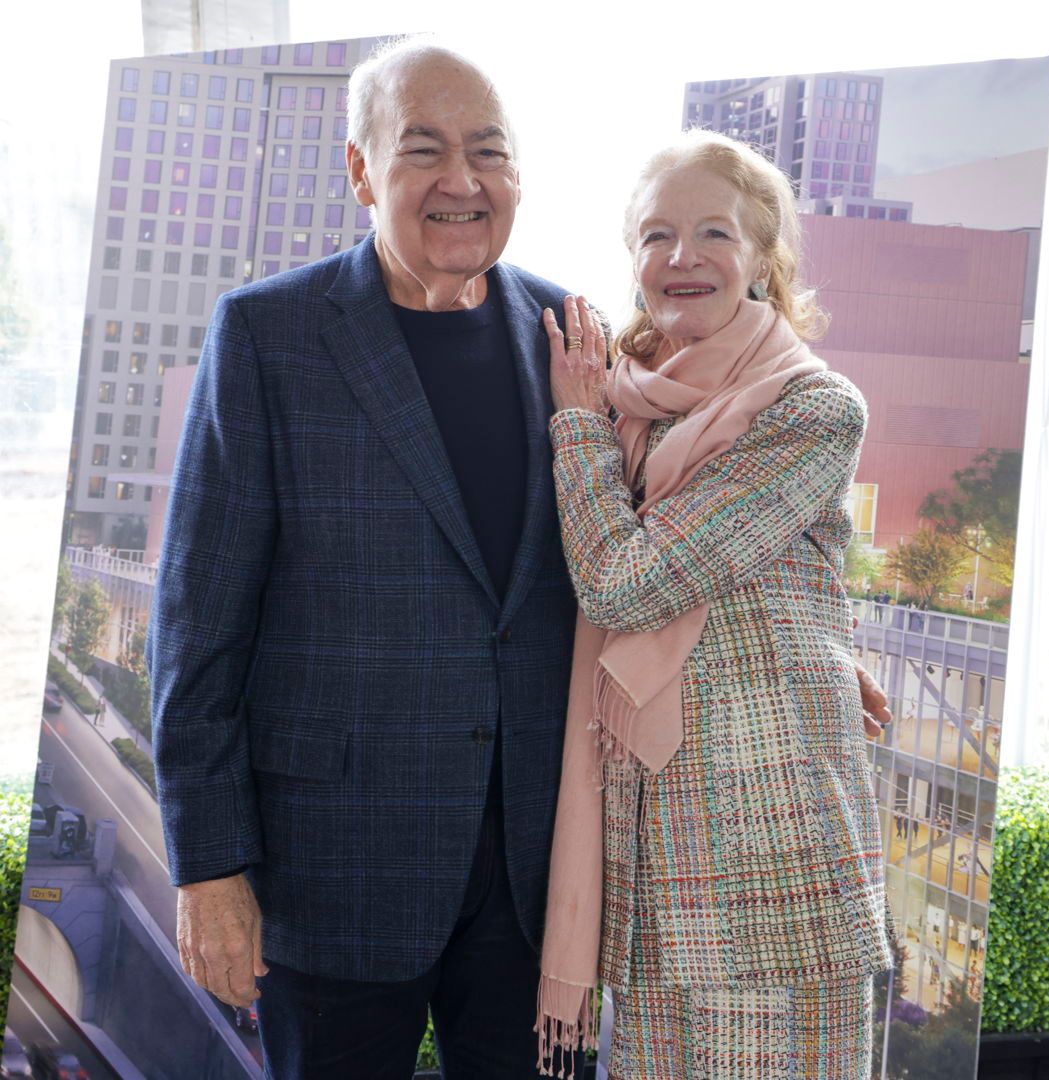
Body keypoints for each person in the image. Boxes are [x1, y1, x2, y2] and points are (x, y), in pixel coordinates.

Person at [147, 43, 891, 1079]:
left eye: (489, 152)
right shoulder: (268, 335)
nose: (463, 181)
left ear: (519, 176)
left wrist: (808, 647)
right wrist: (209, 866)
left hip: (543, 879)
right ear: (362, 171)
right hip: (336, 872)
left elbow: (659, 535)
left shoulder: (573, 339)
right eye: (426, 150)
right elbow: (197, 623)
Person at [536, 131, 892, 1079]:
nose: (681, 257)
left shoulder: (812, 407)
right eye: (657, 234)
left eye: (713, 234)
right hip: (649, 857)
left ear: (763, 259)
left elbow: (624, 582)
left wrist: (573, 429)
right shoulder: (629, 399)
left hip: (772, 866)